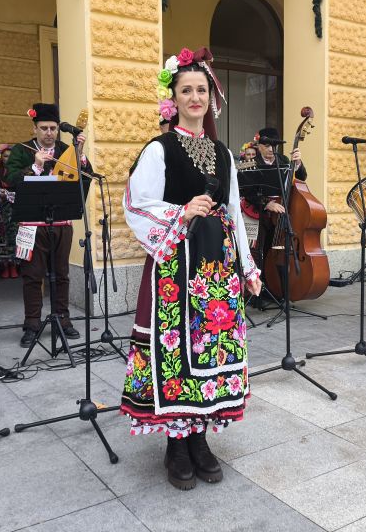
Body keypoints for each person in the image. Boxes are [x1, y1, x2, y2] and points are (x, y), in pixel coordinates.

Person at [121, 47, 261, 490]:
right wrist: (180, 212)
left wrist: (248, 266)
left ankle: (200, 439)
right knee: (177, 351)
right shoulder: (159, 149)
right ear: (174, 98)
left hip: (216, 266)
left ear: (211, 97)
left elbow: (233, 210)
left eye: (202, 90)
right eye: (186, 90)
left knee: (210, 348)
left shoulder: (223, 153)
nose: (195, 97)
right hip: (175, 266)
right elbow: (135, 202)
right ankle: (176, 445)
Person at [5, 103, 92, 346]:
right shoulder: (22, 151)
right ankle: (32, 324)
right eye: (44, 128)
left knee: (61, 274)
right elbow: (9, 179)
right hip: (31, 225)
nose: (49, 133)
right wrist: (36, 167)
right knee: (32, 276)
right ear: (34, 129)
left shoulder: (66, 149)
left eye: (53, 128)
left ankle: (63, 320)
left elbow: (85, 178)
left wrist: (80, 154)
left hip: (61, 222)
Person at [240, 128, 305, 306]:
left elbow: (302, 177)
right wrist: (267, 203)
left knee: (280, 252)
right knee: (260, 252)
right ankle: (257, 294)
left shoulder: (284, 160)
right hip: (260, 214)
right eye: (267, 145)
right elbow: (248, 192)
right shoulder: (252, 163)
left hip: (282, 213)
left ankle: (281, 292)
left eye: (274, 146)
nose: (270, 149)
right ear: (259, 146)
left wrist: (298, 164)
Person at [0, 143, 19, 279]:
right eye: (5, 156)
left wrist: (9, 194)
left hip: (14, 207)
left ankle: (14, 265)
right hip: (1, 208)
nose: (7, 158)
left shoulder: (17, 172)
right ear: (1, 158)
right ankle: (5, 266)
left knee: (14, 235)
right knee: (2, 234)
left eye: (10, 156)